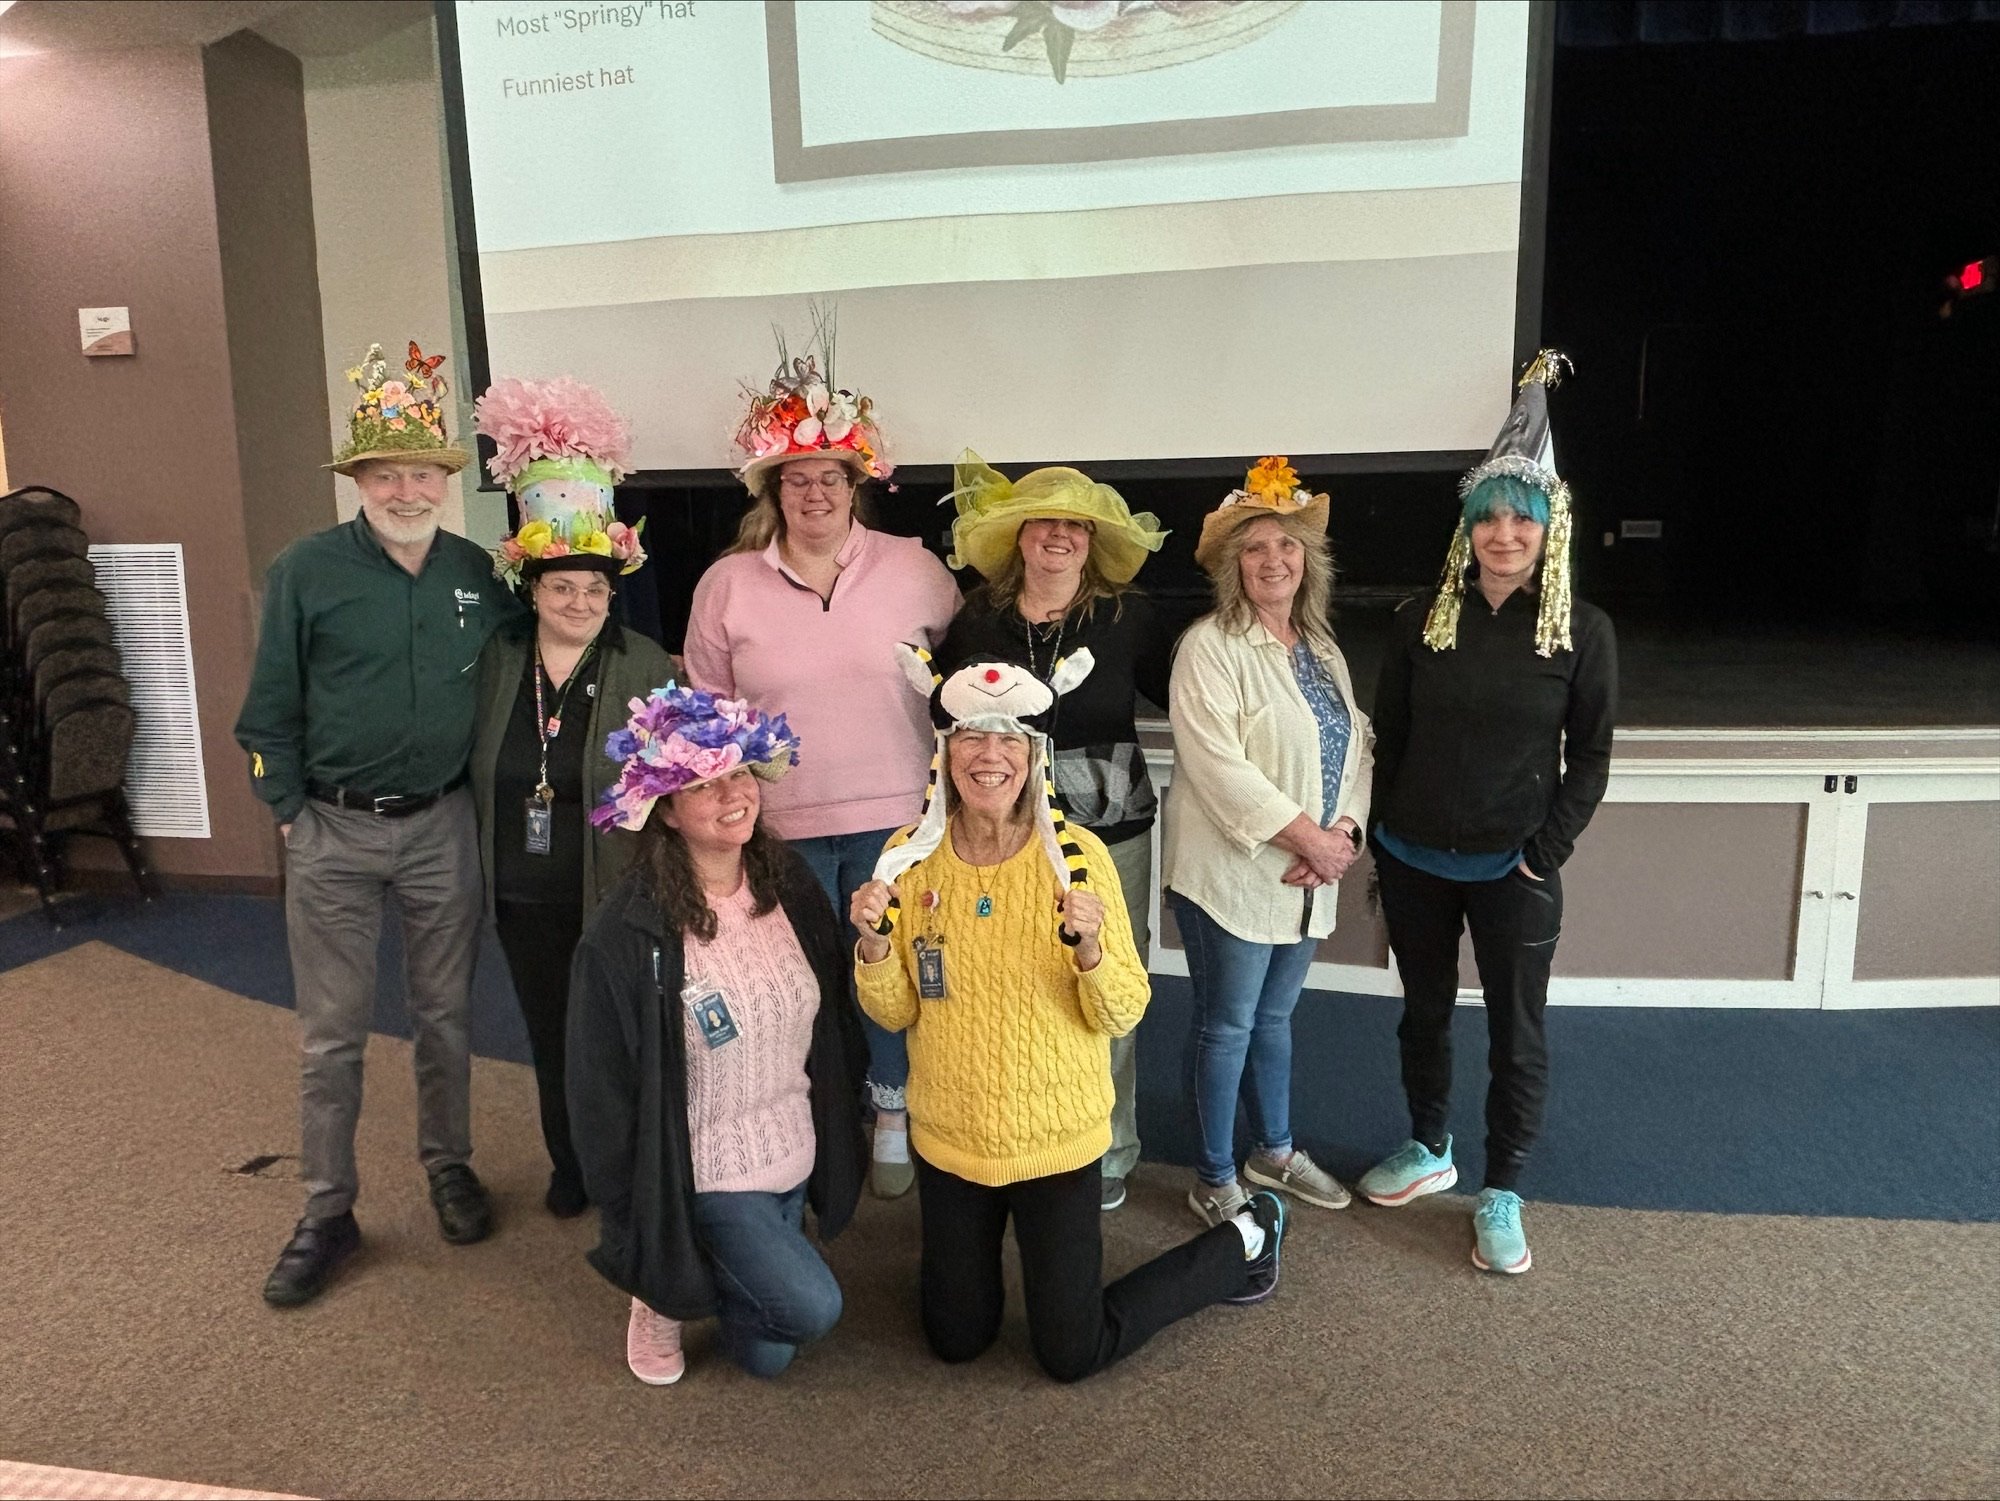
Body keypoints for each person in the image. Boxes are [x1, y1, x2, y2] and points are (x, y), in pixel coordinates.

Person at [850, 647, 1286, 1384]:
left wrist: (1089, 948)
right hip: (952, 1137)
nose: (990, 756)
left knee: (1070, 1351)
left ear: (1035, 755)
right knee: (955, 1339)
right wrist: (870, 942)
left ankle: (1244, 1238)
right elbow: (892, 1010)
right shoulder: (906, 859)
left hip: (1055, 1139)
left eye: (1009, 739)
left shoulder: (1077, 857)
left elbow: (1124, 1009)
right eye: (973, 739)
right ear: (946, 754)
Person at [235, 341, 520, 1307]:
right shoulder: (305, 570)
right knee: (333, 1033)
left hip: (443, 826)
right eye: (386, 472)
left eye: (423, 472)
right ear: (358, 479)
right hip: (332, 832)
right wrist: (285, 809)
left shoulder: (478, 575)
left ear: (445, 482)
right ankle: (326, 1207)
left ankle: (449, 1163)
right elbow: (265, 714)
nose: (406, 488)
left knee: (446, 1016)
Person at [682, 311, 958, 1198]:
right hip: (781, 823)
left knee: (890, 974)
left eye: (830, 477)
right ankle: (797, 1115)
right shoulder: (726, 584)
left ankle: (891, 1107)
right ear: (772, 491)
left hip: (897, 822)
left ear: (856, 483)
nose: (814, 495)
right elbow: (705, 719)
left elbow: (963, 687)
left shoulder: (919, 570)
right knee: (795, 985)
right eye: (795, 480)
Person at [1358, 352, 1616, 1275]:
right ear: (1467, 529)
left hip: (1515, 869)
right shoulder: (1420, 617)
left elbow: (1590, 755)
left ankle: (1502, 1184)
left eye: (1522, 517)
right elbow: (1388, 736)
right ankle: (1431, 1146)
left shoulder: (1582, 631)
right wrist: (1383, 851)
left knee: (1518, 1028)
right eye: (1489, 517)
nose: (1504, 533)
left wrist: (1545, 852)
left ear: (1548, 529)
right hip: (1415, 858)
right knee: (1422, 1013)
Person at [567, 684, 868, 1385]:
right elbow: (599, 1094)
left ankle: (704, 1267)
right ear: (666, 811)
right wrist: (634, 1223)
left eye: (737, 772)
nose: (732, 794)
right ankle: (662, 1285)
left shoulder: (788, 882)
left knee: (766, 1354)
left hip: (794, 1153)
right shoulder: (626, 933)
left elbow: (832, 1022)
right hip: (706, 1173)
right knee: (812, 1308)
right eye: (704, 784)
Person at [935, 452, 1170, 1212]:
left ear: (1092, 540)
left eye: (1075, 525)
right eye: (1046, 523)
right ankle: (1018, 1129)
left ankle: (1109, 1147)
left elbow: (1189, 693)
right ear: (1019, 536)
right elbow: (946, 715)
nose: (1060, 537)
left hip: (1114, 832)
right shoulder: (978, 618)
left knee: (1107, 981)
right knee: (1015, 981)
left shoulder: (1129, 614)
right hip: (999, 829)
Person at [467, 377, 672, 1218]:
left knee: (622, 1038)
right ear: (533, 590)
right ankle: (571, 1162)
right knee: (550, 1035)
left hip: (615, 887)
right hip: (524, 891)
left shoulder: (644, 662)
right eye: (561, 588)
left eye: (594, 589)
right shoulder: (498, 662)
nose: (579, 602)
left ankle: (632, 1161)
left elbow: (668, 780)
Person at [1162, 458, 1374, 1230]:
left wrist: (1344, 830)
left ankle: (1273, 1152)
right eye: (1255, 549)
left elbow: (1359, 744)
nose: (1273, 560)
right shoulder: (1209, 646)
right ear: (1233, 566)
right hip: (1235, 871)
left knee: (1275, 1020)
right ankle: (1214, 1174)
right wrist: (1311, 838)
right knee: (1226, 1024)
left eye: (1287, 547)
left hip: (1308, 870)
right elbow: (1216, 765)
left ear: (1308, 562)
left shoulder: (1321, 647)